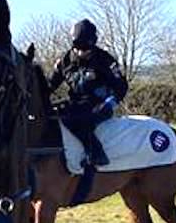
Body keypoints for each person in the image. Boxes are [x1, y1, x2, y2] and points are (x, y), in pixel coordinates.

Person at [48, 19, 129, 168]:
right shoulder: (65, 61)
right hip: (76, 103)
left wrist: (110, 103)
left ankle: (97, 154)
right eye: (77, 47)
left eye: (85, 48)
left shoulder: (105, 60)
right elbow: (49, 86)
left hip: (99, 104)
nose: (81, 52)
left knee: (78, 121)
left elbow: (121, 87)